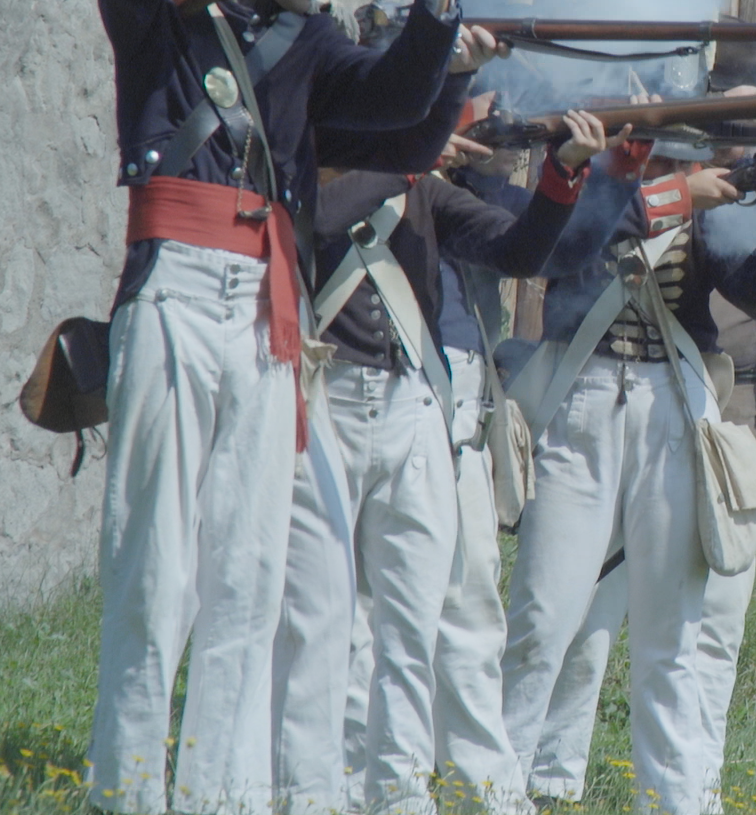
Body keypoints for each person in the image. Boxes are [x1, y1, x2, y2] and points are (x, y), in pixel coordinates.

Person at [88, 0, 496, 813]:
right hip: (179, 292)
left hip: (268, 315)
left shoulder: (311, 47)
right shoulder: (170, 18)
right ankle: (129, 793)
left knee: (250, 576)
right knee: (157, 568)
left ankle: (223, 797)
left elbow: (398, 108)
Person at [272, 108, 643, 815]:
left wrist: (567, 169)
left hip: (426, 404)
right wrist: (413, 155)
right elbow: (315, 220)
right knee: (338, 621)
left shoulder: (439, 191)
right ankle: (334, 789)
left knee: (429, 622)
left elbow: (526, 250)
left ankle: (420, 794)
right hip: (329, 401)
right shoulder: (316, 165)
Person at [523, 92, 756, 811]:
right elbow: (558, 248)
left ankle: (685, 798)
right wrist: (664, 186)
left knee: (685, 642)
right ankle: (516, 786)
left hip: (694, 418)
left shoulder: (729, 198)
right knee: (554, 621)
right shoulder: (615, 178)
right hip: (588, 404)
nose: (734, 146)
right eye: (724, 130)